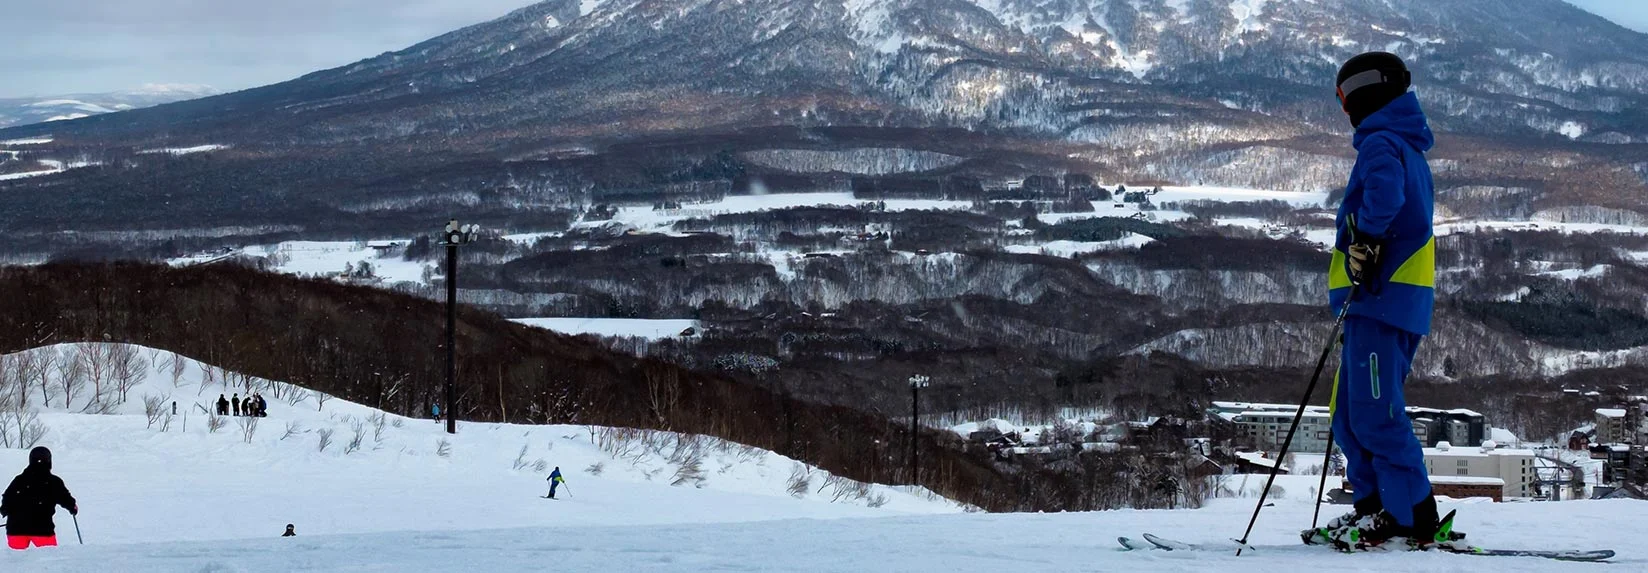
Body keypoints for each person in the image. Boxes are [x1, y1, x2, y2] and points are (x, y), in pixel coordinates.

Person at [1311, 51, 1447, 550]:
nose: (1345, 109)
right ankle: (1373, 509)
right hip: (1379, 303)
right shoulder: (1399, 143)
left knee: (1375, 412)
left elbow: (1385, 197)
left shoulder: (1382, 143)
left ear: (1365, 93)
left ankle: (1412, 516)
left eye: (1345, 98)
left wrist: (1365, 240)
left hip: (1382, 300)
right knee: (1349, 414)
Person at [1, 447, 78, 550]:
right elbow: (65, 498)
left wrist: (5, 510)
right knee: (49, 560)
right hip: (42, 529)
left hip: (16, 528)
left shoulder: (19, 480)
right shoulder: (54, 481)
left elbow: (7, 497)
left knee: (17, 562)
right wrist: (72, 507)